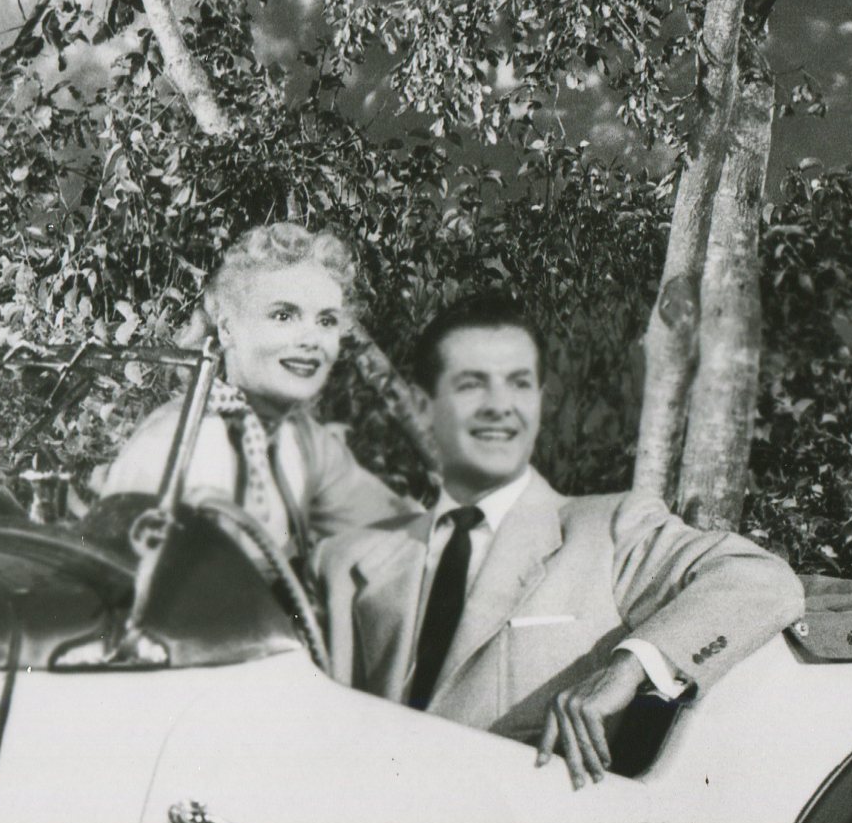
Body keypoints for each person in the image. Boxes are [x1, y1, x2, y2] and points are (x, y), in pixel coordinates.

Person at [318, 293, 804, 786]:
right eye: (471, 385)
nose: (500, 407)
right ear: (424, 406)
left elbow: (760, 580)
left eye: (520, 384)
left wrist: (632, 665)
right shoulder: (350, 563)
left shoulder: (609, 527)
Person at [97, 222, 407, 573]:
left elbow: (403, 531)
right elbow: (112, 587)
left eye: (326, 320)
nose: (311, 339)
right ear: (227, 328)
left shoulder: (304, 441)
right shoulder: (173, 441)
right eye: (283, 315)